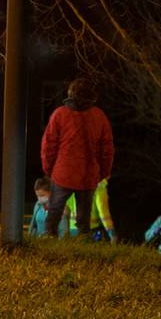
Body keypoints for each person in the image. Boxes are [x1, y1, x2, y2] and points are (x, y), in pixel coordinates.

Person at [40, 77, 114, 237]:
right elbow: (106, 149)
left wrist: (49, 169)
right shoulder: (99, 116)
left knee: (54, 211)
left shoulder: (60, 114)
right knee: (84, 217)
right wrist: (103, 172)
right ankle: (83, 239)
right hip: (88, 174)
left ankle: (49, 236)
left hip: (63, 172)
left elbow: (48, 145)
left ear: (71, 93)